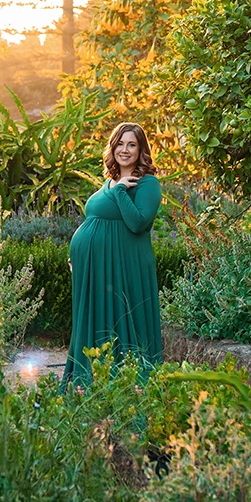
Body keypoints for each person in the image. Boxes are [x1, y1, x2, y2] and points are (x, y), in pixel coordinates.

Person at [62, 122, 164, 388]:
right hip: (96, 269)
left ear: (141, 149)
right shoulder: (110, 181)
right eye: (120, 143)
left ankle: (128, 387)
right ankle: (90, 383)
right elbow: (96, 219)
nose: (125, 150)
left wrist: (120, 191)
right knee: (95, 323)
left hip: (123, 268)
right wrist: (82, 257)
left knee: (123, 323)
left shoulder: (147, 184)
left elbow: (138, 224)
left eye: (132, 144)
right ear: (113, 147)